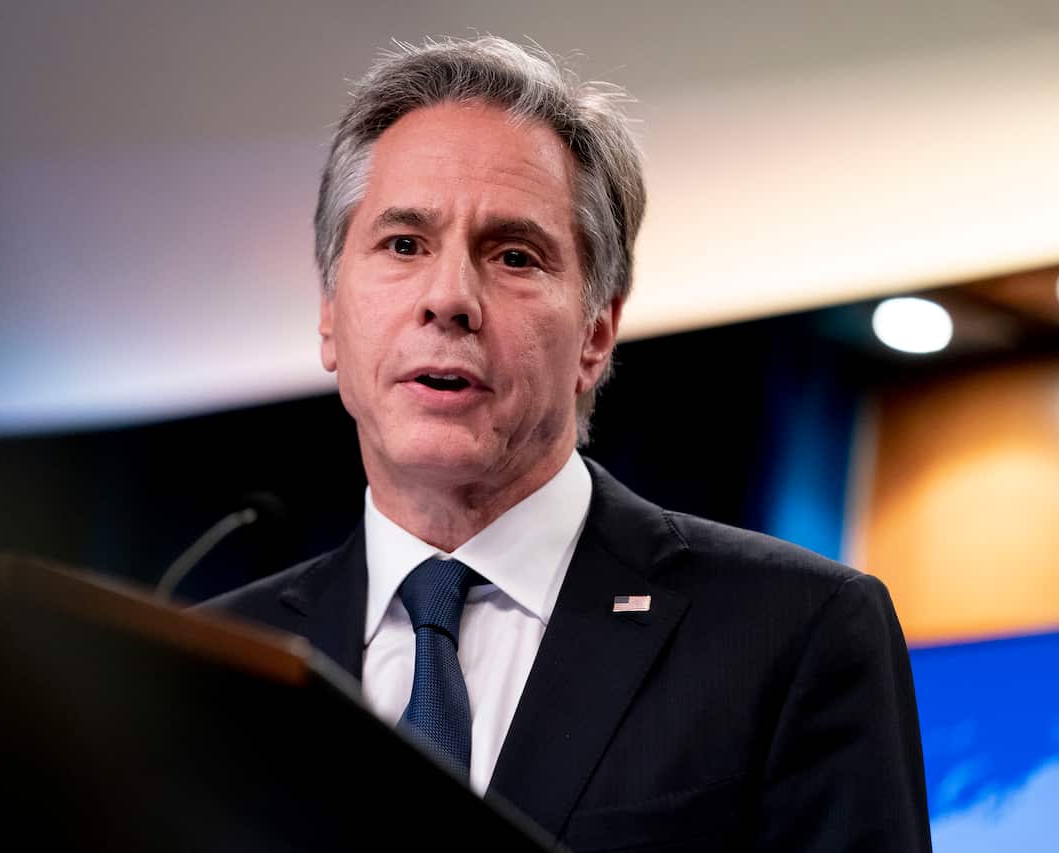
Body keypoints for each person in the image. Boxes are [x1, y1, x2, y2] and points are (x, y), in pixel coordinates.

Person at [207, 36, 931, 852]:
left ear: (597, 331)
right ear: (330, 313)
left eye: (513, 255)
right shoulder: (209, 664)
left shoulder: (796, 632)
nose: (449, 298)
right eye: (404, 245)